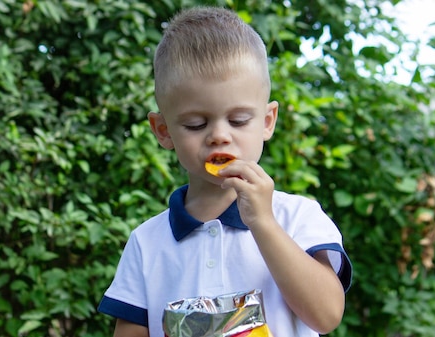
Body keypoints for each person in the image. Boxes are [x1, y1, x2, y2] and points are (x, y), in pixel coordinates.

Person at [97, 6, 352, 337]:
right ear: (163, 131)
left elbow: (326, 315)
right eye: (195, 124)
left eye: (238, 120)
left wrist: (263, 222)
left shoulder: (297, 218)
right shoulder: (147, 243)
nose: (219, 135)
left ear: (267, 121)